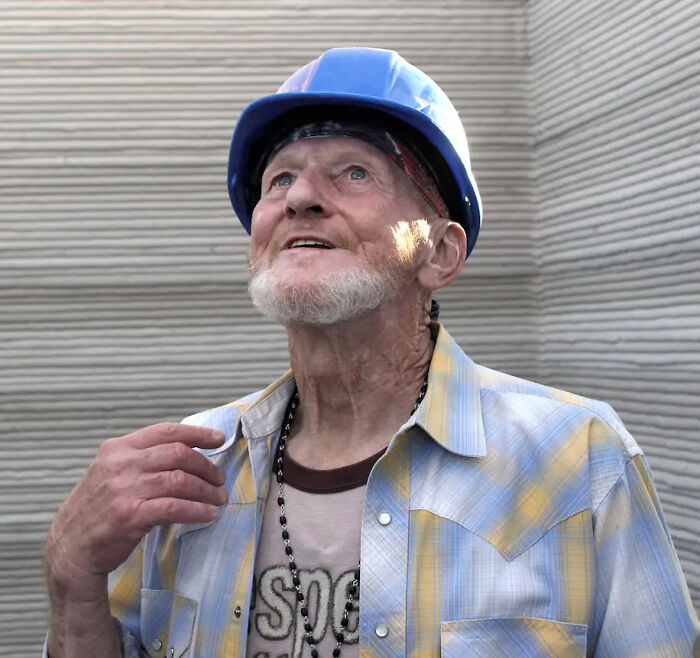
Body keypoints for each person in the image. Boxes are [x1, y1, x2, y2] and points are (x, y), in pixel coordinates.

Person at [44, 47, 699, 658]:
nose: (300, 197)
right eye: (279, 179)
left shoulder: (579, 459)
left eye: (355, 172)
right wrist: (72, 577)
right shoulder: (189, 472)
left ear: (439, 252)